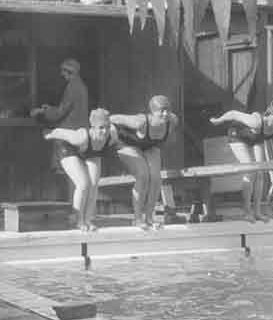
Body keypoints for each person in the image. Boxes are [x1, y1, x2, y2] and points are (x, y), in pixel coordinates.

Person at [209, 98, 273, 222]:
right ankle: (246, 211)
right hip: (238, 135)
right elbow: (234, 113)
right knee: (250, 171)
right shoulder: (255, 121)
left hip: (256, 137)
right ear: (271, 117)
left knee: (260, 172)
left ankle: (257, 212)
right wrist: (219, 120)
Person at [42, 108, 119, 232]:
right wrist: (49, 133)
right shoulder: (80, 136)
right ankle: (79, 220)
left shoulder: (112, 135)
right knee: (83, 184)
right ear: (92, 127)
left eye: (107, 127)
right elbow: (59, 132)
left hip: (90, 151)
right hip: (67, 148)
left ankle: (88, 219)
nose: (104, 131)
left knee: (94, 184)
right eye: (101, 128)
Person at [111, 95, 179, 229]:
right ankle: (137, 219)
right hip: (127, 143)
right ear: (152, 112)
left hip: (150, 145)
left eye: (168, 110)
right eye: (161, 111)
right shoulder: (140, 121)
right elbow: (114, 118)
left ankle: (149, 218)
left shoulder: (173, 121)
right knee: (143, 175)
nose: (165, 114)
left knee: (155, 178)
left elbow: (158, 141)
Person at [30, 58, 89, 130]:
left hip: (73, 130)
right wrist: (49, 108)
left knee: (45, 133)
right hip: (80, 128)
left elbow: (59, 113)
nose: (61, 74)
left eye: (63, 71)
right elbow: (66, 108)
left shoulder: (72, 87)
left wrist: (41, 111)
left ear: (70, 71)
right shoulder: (80, 85)